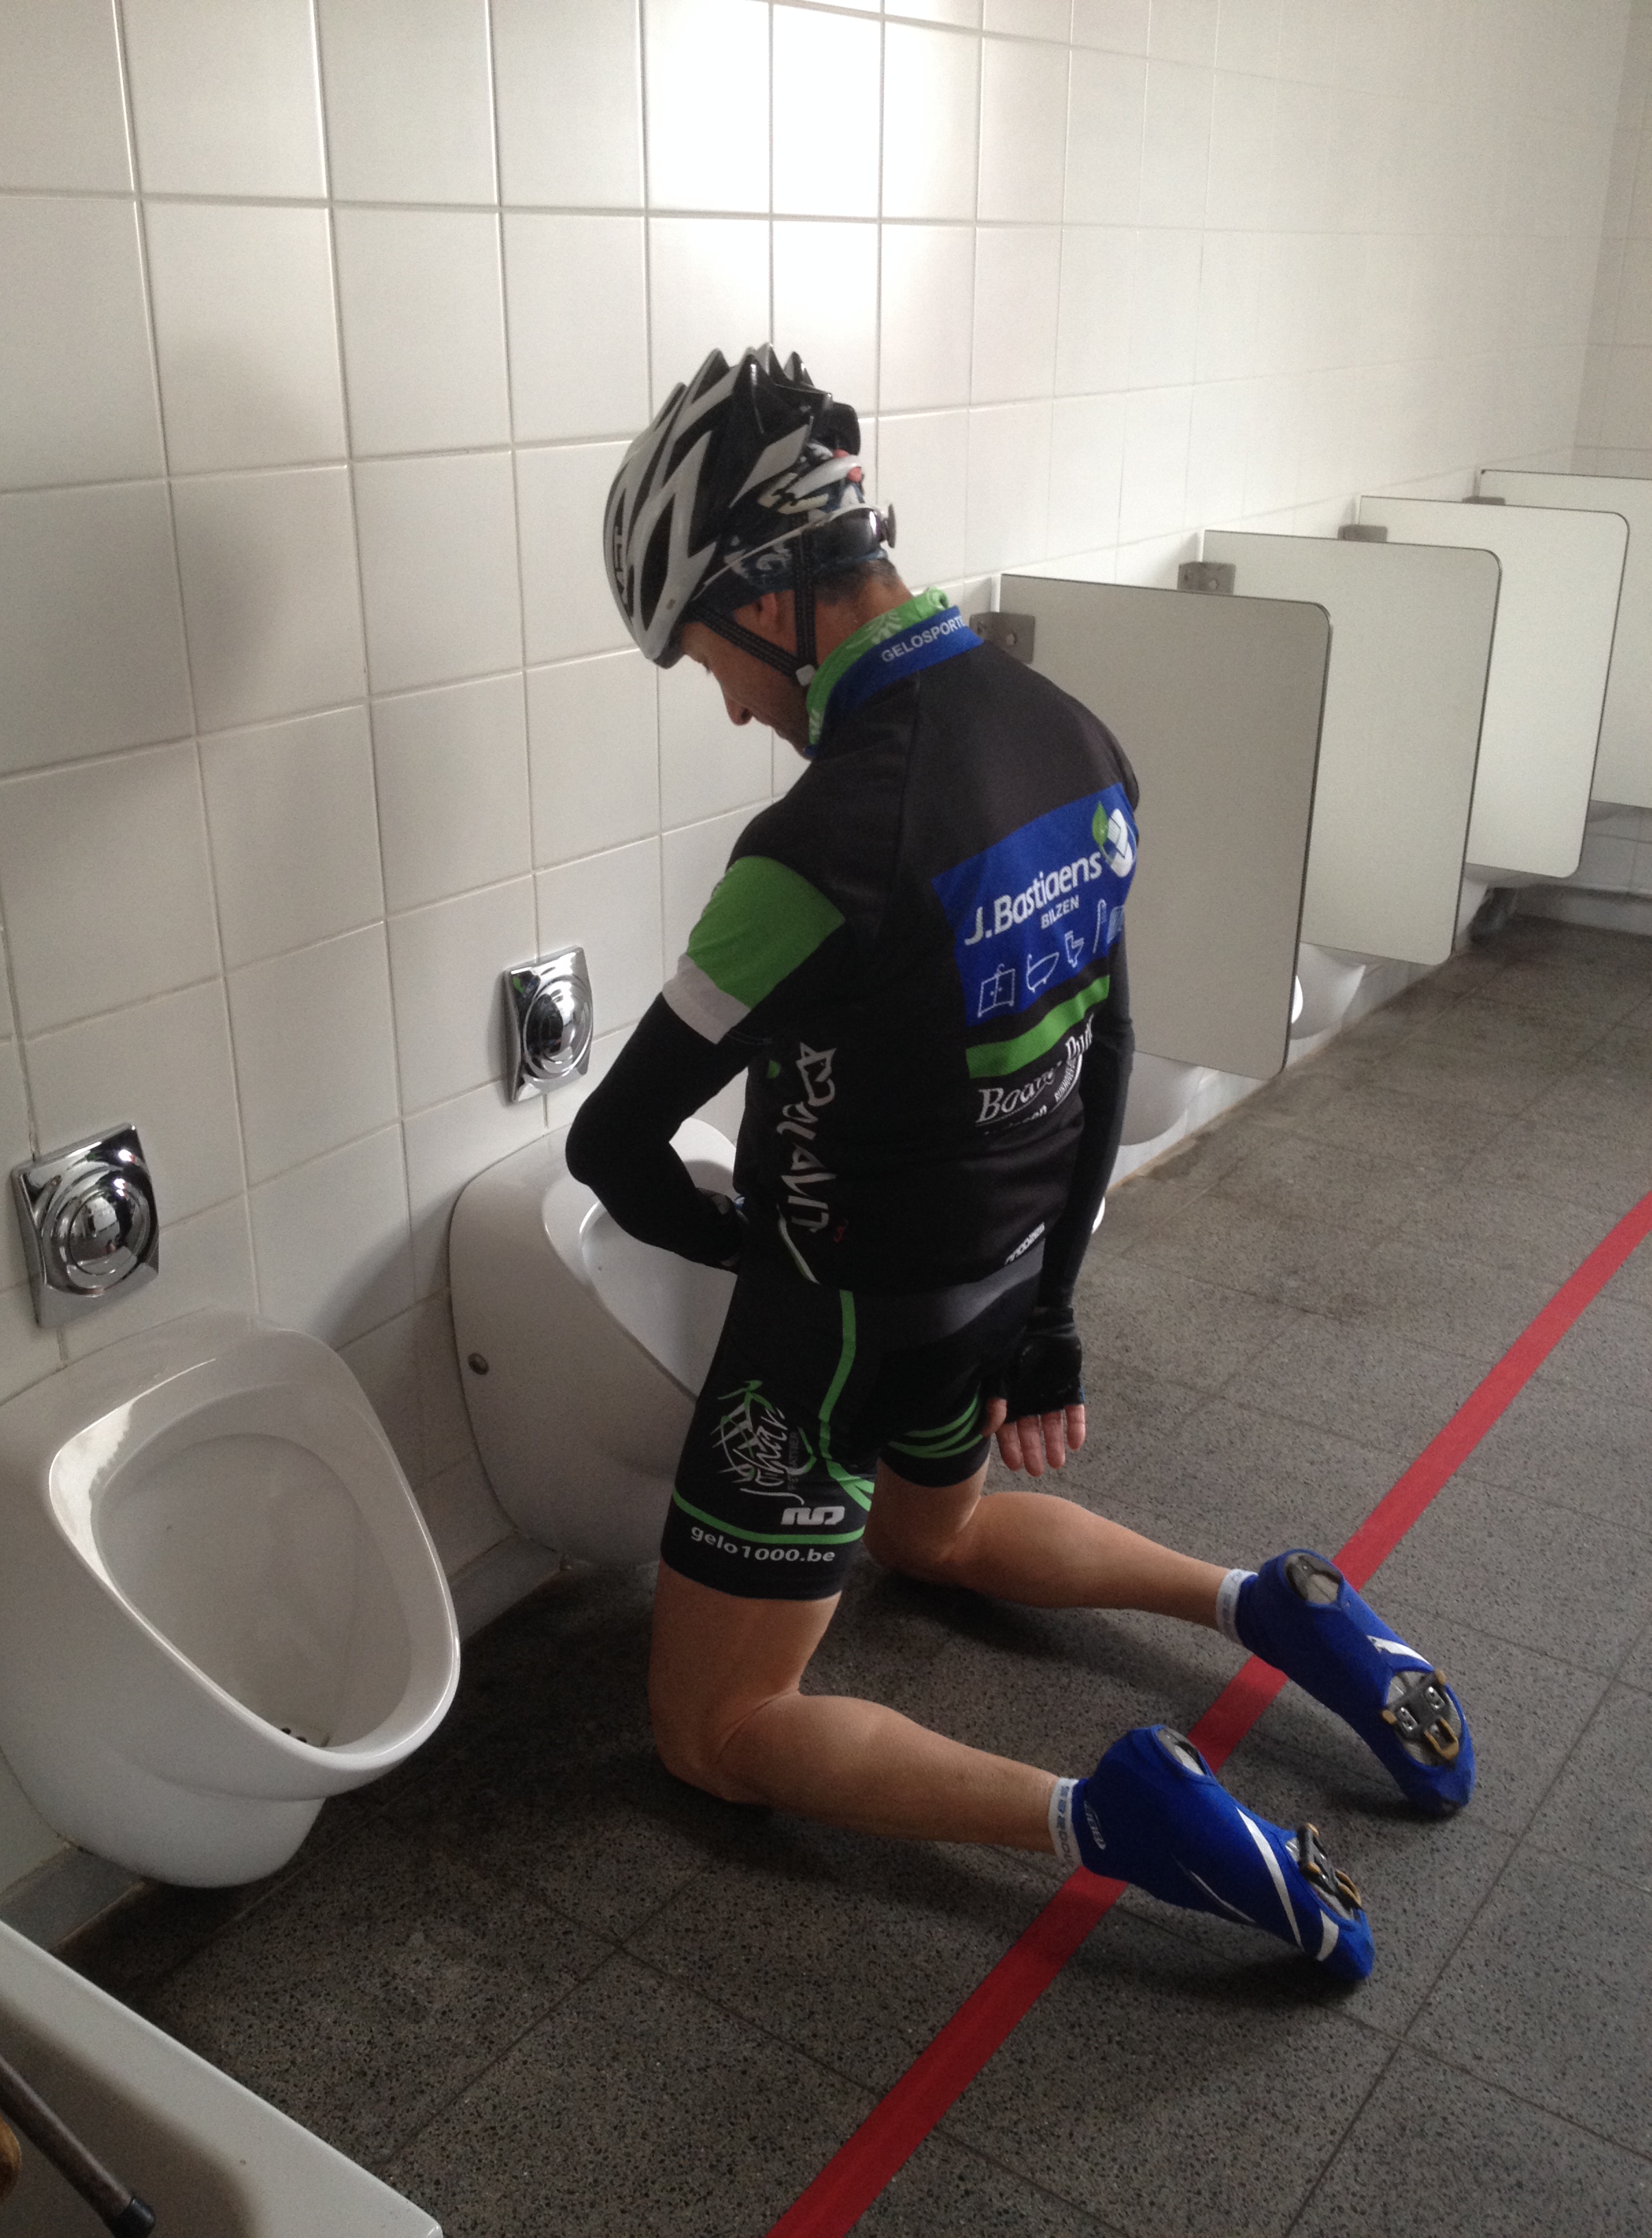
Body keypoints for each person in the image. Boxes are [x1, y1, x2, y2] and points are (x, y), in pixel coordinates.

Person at [566, 346, 1473, 1984]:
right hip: (996, 1284)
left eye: (705, 655)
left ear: (769, 597)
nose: (730, 703)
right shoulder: (1072, 736)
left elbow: (611, 1144)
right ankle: (1262, 1605)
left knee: (716, 1727)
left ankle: (1097, 1817)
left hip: (839, 1328)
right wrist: (1049, 1317)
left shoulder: (818, 847)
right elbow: (1107, 1053)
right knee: (937, 1535)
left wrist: (742, 1242)